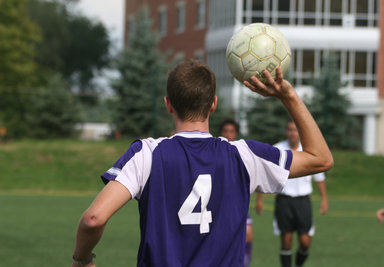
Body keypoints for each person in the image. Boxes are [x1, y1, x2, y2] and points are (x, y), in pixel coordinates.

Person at [71, 60, 333, 267]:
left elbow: (94, 219)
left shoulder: (146, 154)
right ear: (214, 105)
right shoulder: (244, 156)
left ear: (168, 105)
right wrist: (288, 96)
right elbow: (320, 158)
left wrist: (82, 260)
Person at [256, 121, 329, 267]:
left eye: (296, 130)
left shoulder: (308, 150)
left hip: (303, 201)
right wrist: (259, 199)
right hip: (284, 200)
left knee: (305, 242)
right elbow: (265, 173)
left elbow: (319, 177)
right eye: (290, 129)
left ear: (300, 132)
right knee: (286, 241)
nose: (293, 133)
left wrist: (324, 199)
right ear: (286, 132)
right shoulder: (278, 149)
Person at [219, 119, 253, 267]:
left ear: (236, 133)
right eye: (225, 131)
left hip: (237, 204)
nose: (228, 134)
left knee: (248, 234)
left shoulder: (242, 152)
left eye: (231, 131)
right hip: (217, 205)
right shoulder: (215, 150)